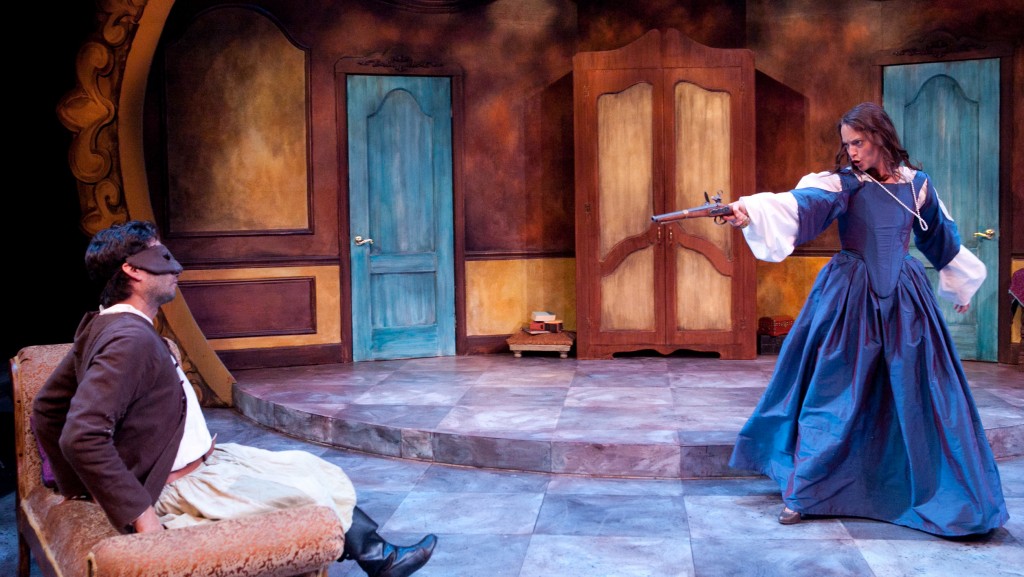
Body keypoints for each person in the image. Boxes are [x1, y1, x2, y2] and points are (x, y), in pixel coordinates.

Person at [32, 220, 437, 577]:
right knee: (307, 496)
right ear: (132, 270)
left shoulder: (104, 325)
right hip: (183, 485)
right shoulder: (128, 339)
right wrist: (139, 515)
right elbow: (81, 434)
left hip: (205, 461)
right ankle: (377, 558)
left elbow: (47, 407)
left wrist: (75, 485)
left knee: (310, 470)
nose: (176, 268)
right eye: (161, 257)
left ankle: (380, 557)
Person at [724, 102, 1008, 537]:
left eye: (858, 142)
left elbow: (940, 236)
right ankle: (806, 492)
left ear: (880, 136)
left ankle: (917, 489)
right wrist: (749, 212)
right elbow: (799, 205)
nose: (852, 152)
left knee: (918, 391)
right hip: (851, 298)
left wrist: (960, 284)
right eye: (847, 145)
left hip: (905, 302)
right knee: (834, 391)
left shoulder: (917, 185)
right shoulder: (843, 185)